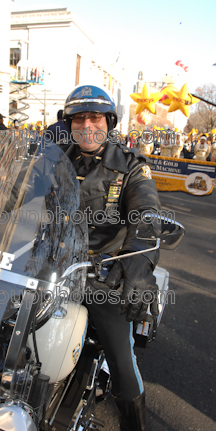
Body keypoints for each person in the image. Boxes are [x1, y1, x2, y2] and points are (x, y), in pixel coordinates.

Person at [61, 85, 161, 431]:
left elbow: (146, 213)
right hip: (53, 264)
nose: (87, 124)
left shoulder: (132, 167)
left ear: (109, 122)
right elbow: (18, 190)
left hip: (103, 273)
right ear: (69, 123)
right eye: (78, 117)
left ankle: (135, 426)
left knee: (121, 358)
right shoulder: (56, 159)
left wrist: (136, 261)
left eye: (95, 116)